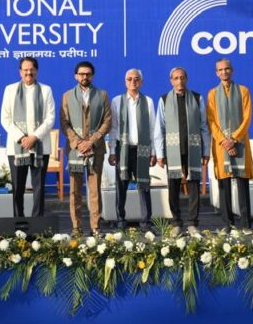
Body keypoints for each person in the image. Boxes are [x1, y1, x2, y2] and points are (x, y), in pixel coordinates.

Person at [155, 67, 210, 235]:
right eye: (176, 78)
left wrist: (206, 151)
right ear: (171, 81)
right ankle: (176, 223)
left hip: (193, 148)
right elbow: (159, 128)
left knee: (194, 187)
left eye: (182, 77)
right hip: (173, 150)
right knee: (173, 188)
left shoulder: (197, 98)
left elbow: (203, 126)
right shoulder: (164, 99)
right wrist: (160, 154)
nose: (179, 81)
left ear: (186, 79)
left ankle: (193, 223)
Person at [59, 61, 111, 236]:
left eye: (88, 74)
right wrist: (78, 143)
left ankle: (95, 227)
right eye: (81, 74)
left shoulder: (102, 95)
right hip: (75, 150)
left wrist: (91, 142)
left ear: (92, 76)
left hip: (96, 149)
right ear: (76, 76)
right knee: (74, 190)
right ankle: (76, 227)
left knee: (94, 189)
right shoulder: (67, 96)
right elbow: (64, 123)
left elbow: (107, 121)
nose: (85, 77)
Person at [0, 56, 55, 218]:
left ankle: (37, 222)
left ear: (36, 71)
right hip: (17, 147)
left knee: (39, 187)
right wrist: (21, 137)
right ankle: (19, 222)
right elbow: (5, 118)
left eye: (32, 70)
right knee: (18, 187)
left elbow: (50, 118)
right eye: (25, 70)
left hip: (40, 147)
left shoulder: (46, 90)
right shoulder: (10, 90)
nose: (28, 73)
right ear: (20, 72)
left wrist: (34, 137)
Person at [207, 58, 253, 230]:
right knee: (224, 184)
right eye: (220, 70)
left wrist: (233, 139)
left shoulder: (243, 91)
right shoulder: (212, 94)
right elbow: (211, 121)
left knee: (242, 184)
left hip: (239, 143)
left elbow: (247, 118)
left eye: (226, 69)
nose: (224, 72)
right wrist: (224, 141)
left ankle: (246, 224)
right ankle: (228, 224)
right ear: (216, 73)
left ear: (232, 70)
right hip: (221, 146)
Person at [108, 68, 156, 229]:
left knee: (144, 186)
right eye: (129, 79)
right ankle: (121, 219)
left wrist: (153, 152)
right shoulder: (117, 101)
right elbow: (113, 128)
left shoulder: (148, 101)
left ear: (141, 82)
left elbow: (152, 129)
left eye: (136, 79)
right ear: (125, 82)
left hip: (142, 150)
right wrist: (112, 151)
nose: (133, 81)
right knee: (121, 186)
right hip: (123, 149)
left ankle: (145, 221)